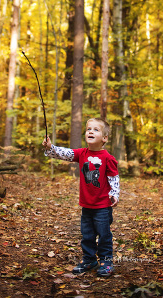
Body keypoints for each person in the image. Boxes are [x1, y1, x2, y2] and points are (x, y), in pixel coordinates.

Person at [42, 118, 120, 277]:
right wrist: (51, 147)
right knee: (87, 235)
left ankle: (106, 262)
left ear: (104, 138)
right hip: (87, 205)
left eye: (96, 130)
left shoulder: (108, 158)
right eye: (88, 129)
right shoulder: (82, 153)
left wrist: (114, 194)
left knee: (104, 235)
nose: (90, 131)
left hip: (102, 207)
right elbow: (65, 153)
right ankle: (89, 259)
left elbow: (114, 178)